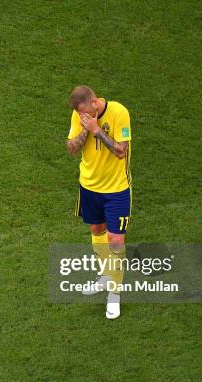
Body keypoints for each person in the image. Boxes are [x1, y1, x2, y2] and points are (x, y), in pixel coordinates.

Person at [66, 85, 132, 319]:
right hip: (89, 186)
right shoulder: (79, 114)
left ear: (95, 102)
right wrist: (85, 129)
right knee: (96, 230)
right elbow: (72, 148)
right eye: (79, 114)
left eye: (84, 112)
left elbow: (121, 151)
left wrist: (96, 129)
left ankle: (115, 294)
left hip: (116, 189)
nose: (81, 116)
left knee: (115, 241)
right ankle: (106, 275)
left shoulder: (119, 112)